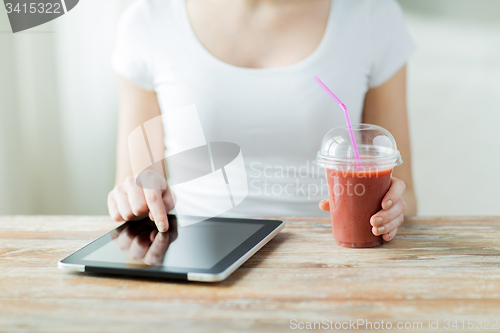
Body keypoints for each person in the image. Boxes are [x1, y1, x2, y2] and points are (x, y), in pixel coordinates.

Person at [107, 0, 417, 243]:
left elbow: (405, 194)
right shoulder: (148, 22)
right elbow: (137, 186)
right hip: (196, 256)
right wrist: (132, 198)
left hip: (332, 255)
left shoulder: (372, 17)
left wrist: (390, 213)